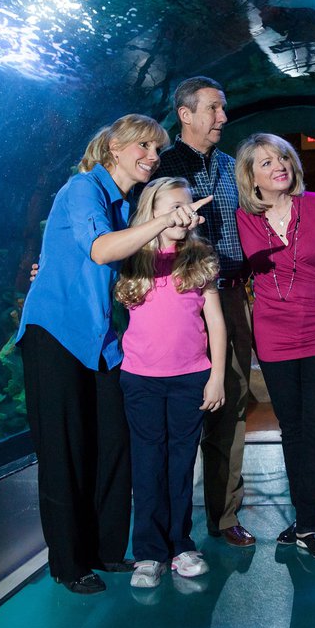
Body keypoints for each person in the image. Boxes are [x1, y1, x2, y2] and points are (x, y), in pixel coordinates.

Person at [17, 114, 208, 594]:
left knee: (113, 444)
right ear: (114, 148)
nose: (151, 155)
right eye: (142, 145)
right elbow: (101, 252)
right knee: (65, 450)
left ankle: (106, 548)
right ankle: (68, 562)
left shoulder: (124, 207)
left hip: (101, 343)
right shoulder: (84, 188)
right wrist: (165, 218)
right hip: (57, 332)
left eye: (156, 149)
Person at [152, 76, 256, 547]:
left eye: (224, 108)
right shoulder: (159, 168)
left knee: (230, 405)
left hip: (230, 296)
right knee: (171, 415)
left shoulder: (233, 167)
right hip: (173, 299)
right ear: (185, 113)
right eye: (214, 109)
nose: (223, 118)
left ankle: (224, 515)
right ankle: (165, 526)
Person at [234, 133, 315, 560]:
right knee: (293, 430)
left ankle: (309, 525)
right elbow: (216, 263)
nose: (278, 165)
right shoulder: (241, 219)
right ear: (251, 177)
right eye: (265, 162)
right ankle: (303, 520)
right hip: (274, 337)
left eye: (282, 157)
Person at [117, 177, 227, 589]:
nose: (183, 212)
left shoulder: (199, 258)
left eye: (188, 205)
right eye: (172, 206)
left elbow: (215, 321)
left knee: (181, 466)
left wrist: (216, 376)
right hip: (141, 380)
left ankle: (180, 544)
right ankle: (147, 553)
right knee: (147, 467)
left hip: (190, 379)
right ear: (152, 211)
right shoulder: (132, 258)